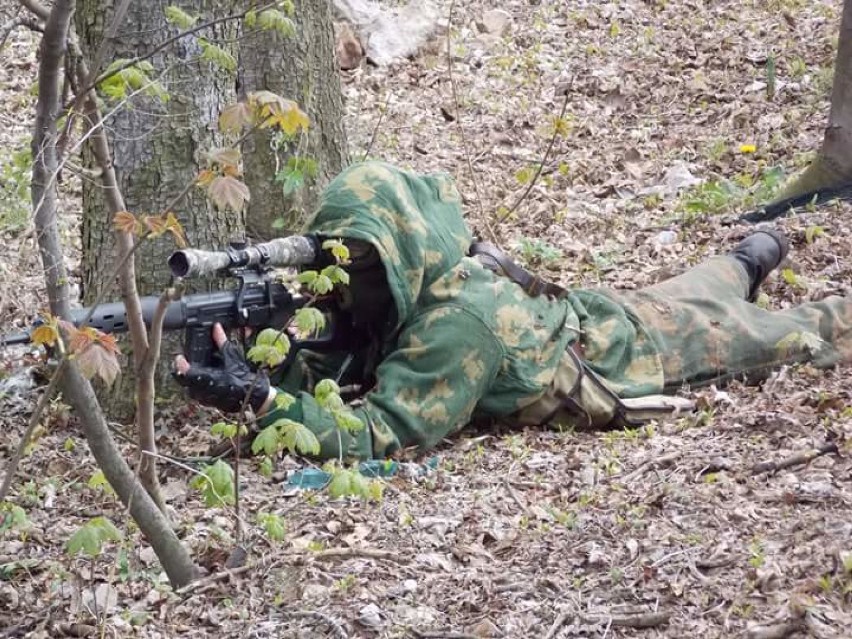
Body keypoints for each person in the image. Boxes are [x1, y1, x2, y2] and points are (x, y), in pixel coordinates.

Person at [173, 162, 852, 460]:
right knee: (696, 286)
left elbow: (384, 428)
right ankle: (747, 258)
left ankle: (781, 283)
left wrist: (268, 403)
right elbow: (352, 360)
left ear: (399, 255)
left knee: (786, 333)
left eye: (359, 263)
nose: (343, 283)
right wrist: (281, 364)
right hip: (595, 312)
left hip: (625, 354)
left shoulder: (456, 323)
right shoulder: (421, 279)